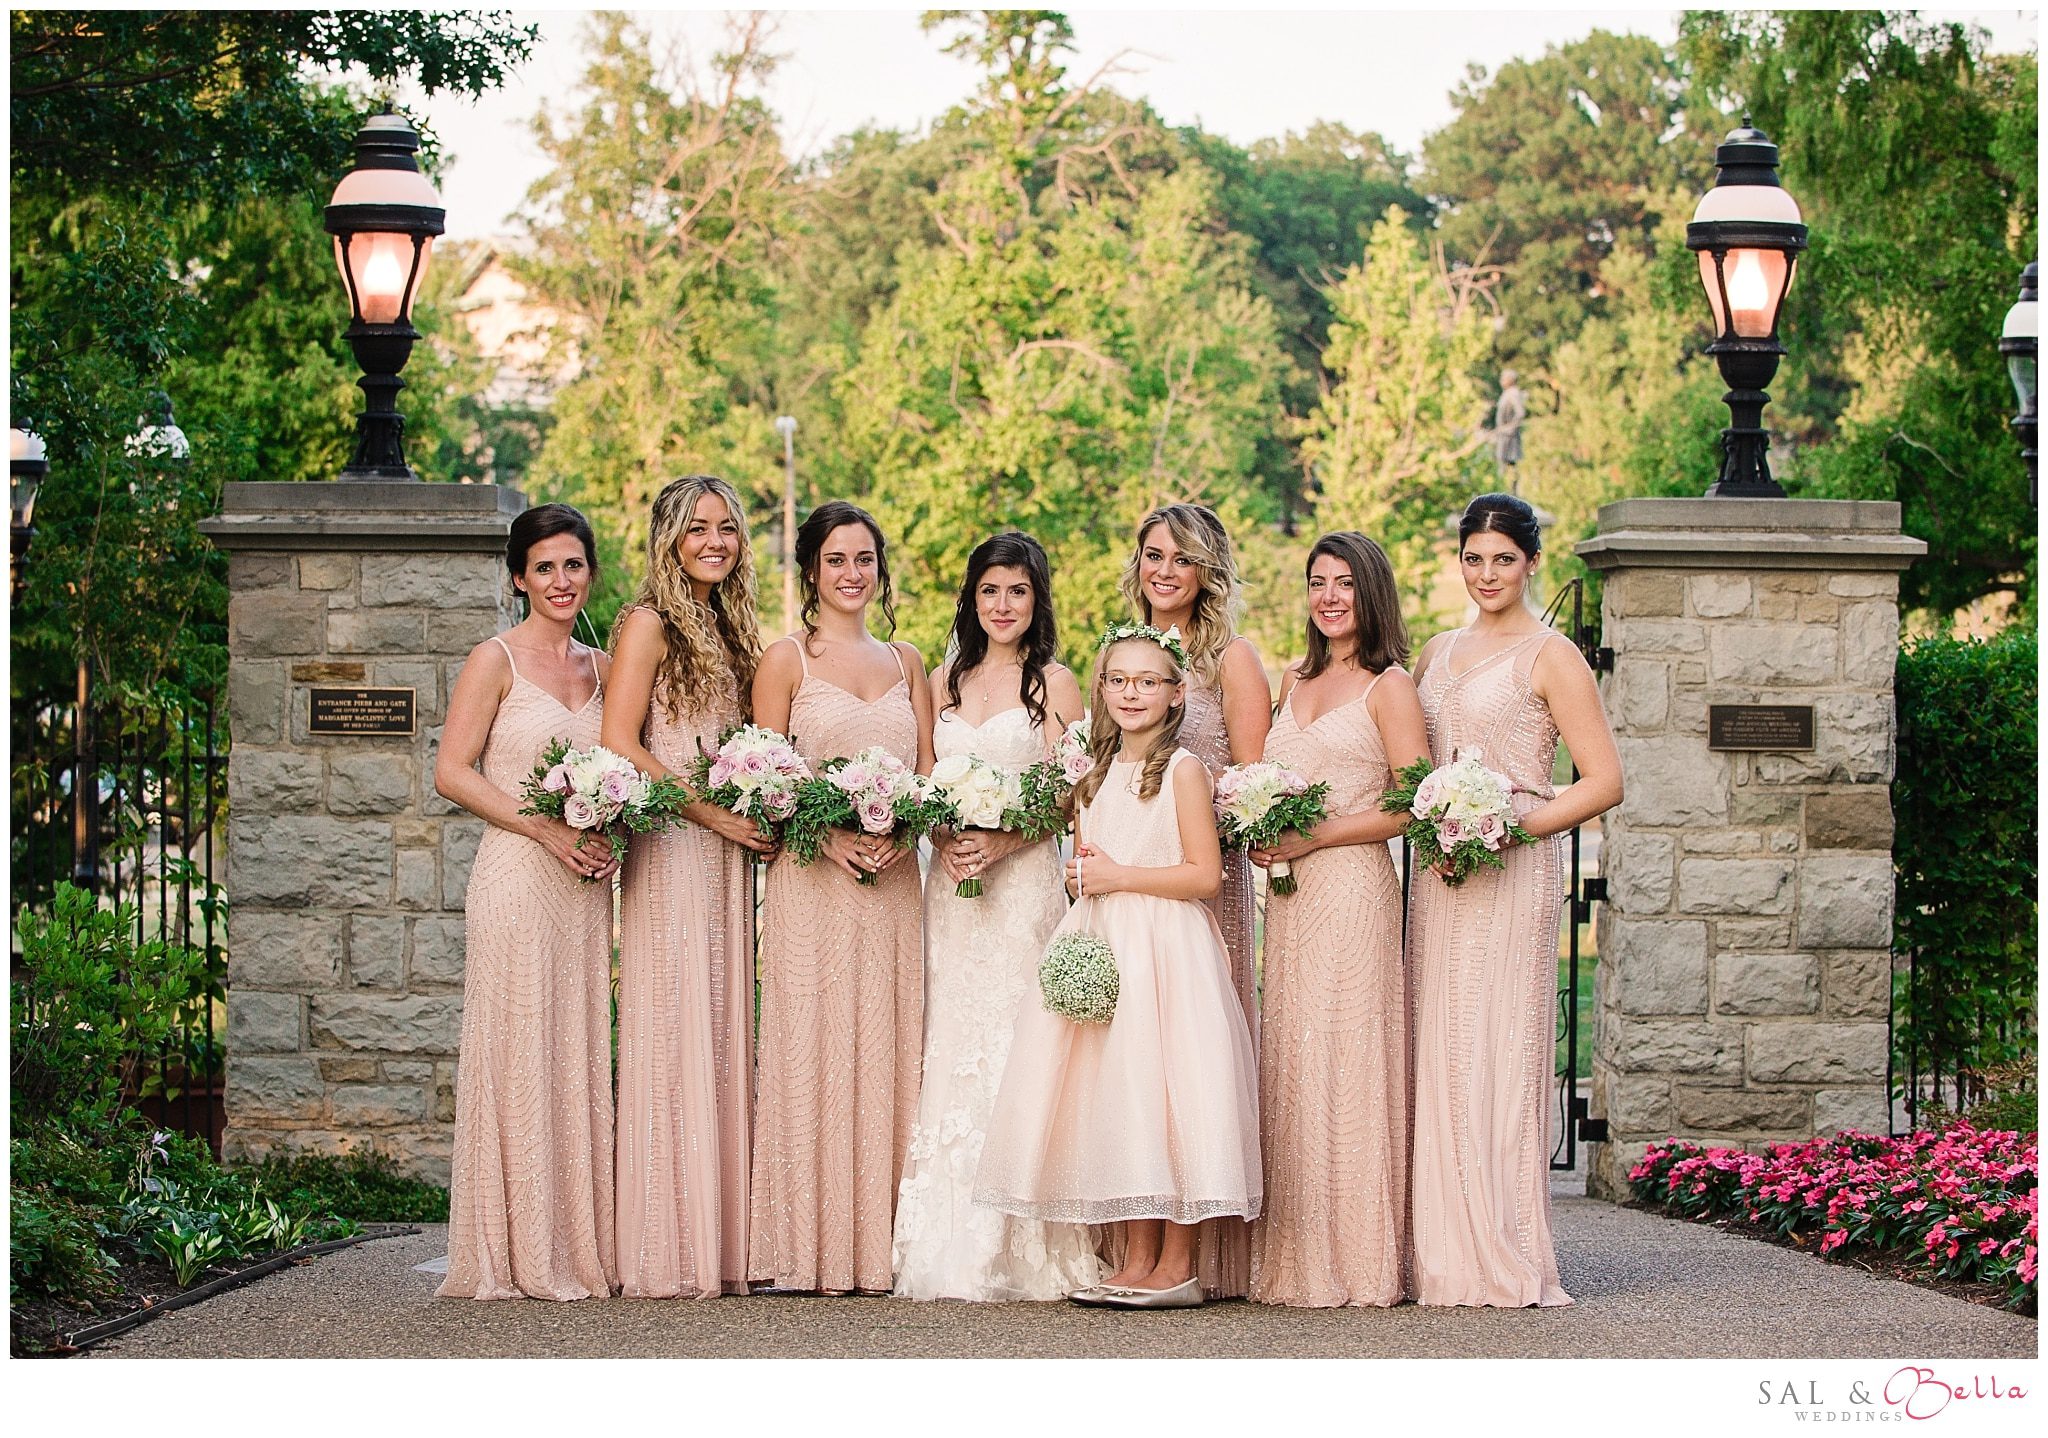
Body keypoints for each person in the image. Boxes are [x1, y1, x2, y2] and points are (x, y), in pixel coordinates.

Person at [974, 623, 1261, 1311]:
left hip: (1167, 948)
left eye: (1149, 682)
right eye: (1119, 680)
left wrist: (1119, 875)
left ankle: (1179, 1265)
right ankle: (1136, 1256)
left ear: (1175, 694)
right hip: (1108, 945)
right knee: (1122, 1094)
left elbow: (1202, 875)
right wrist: (1085, 882)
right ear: (1101, 689)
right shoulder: (1095, 774)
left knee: (1172, 1095)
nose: (1132, 693)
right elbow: (1086, 863)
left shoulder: (1184, 771)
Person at [1408, 493, 1623, 1307]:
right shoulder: (1436, 652)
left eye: (1503, 558)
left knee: (1495, 1044)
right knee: (1441, 1043)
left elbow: (1604, 781)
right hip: (1438, 874)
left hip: (1511, 868)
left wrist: (1511, 823)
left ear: (1532, 561)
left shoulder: (1551, 656)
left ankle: (1499, 1247)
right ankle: (1436, 1247)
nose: (1487, 573)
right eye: (1473, 558)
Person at [890, 532, 1101, 1301]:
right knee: (951, 1040)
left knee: (1020, 1044)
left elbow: (1072, 791)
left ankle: (1026, 1235)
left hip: (1022, 893)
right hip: (950, 891)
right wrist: (947, 832)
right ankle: (947, 1234)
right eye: (989, 591)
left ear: (1037, 599)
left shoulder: (1056, 683)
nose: (1002, 605)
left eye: (1017, 591)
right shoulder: (941, 680)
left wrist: (1005, 839)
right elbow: (923, 779)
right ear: (970, 598)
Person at [748, 500, 934, 1294]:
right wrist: (827, 839)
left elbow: (930, 774)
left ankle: (885, 1246)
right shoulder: (784, 659)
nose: (852, 575)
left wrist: (905, 828)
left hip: (894, 886)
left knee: (891, 1050)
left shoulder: (909, 661)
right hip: (811, 886)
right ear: (811, 572)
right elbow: (762, 781)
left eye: (865, 560)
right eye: (837, 561)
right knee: (812, 1048)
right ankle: (807, 1245)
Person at [434, 503, 618, 1301]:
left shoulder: (607, 667)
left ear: (591, 573)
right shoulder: (495, 660)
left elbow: (624, 771)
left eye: (573, 565)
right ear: (518, 577)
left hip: (582, 883)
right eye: (544, 567)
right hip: (517, 873)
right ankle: (510, 1248)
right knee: (518, 1047)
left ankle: (576, 1244)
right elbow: (453, 771)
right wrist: (543, 829)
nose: (560, 581)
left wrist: (613, 826)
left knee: (574, 1048)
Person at [1247, 532, 1430, 1308]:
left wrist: (1319, 833)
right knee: (1293, 1055)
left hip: (1354, 888)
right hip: (1289, 901)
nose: (1328, 597)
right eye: (1318, 582)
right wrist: (1258, 823)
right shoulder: (1289, 679)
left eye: (1345, 584)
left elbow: (1411, 800)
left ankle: (1356, 1259)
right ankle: (1295, 1254)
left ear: (1371, 594)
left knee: (1349, 1059)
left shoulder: (1389, 686)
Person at [602, 475, 772, 1298]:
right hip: (673, 847)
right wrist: (712, 814)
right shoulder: (646, 623)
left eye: (729, 528)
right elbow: (620, 743)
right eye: (699, 527)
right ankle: (667, 1242)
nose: (716, 541)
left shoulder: (727, 625)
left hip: (725, 850)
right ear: (669, 537)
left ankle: (720, 1238)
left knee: (717, 1022)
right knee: (674, 1023)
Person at [1115, 502, 1270, 1298]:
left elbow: (1250, 783)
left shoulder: (1230, 661)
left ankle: (1190, 1260)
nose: (1163, 571)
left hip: (1202, 898)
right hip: (1124, 899)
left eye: (1180, 558)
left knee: (1192, 1071)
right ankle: (1137, 1250)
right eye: (1151, 555)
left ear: (1207, 570)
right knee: (1137, 1071)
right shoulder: (1121, 652)